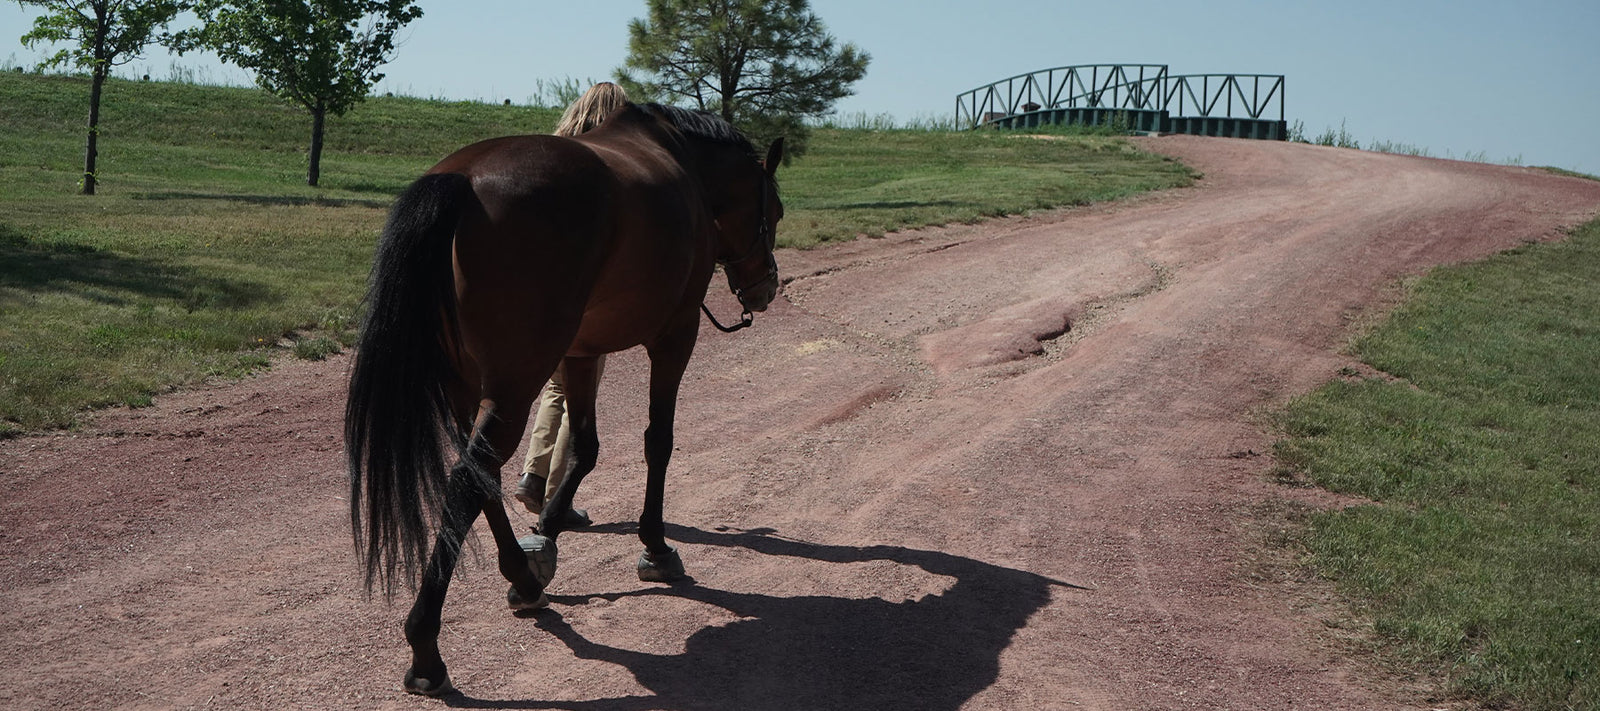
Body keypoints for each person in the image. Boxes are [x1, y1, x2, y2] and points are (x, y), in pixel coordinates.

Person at [513, 82, 631, 526]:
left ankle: (531, 474)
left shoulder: (555, 155)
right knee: (579, 389)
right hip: (586, 298)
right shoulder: (604, 168)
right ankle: (554, 495)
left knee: (555, 387)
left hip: (540, 296)